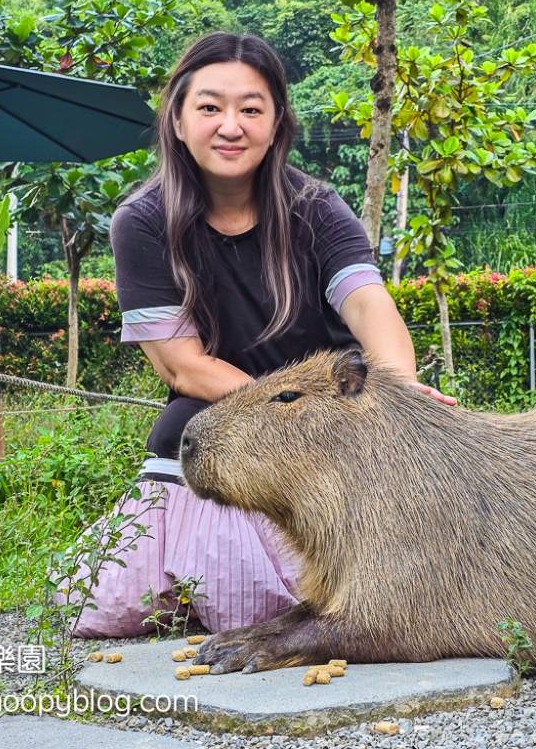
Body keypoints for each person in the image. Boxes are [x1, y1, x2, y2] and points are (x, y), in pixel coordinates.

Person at [59, 32, 454, 638]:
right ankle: (193, 568)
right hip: (221, 409)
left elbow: (370, 307)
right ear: (179, 119)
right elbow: (182, 367)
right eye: (210, 107)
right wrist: (271, 420)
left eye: (251, 108)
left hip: (330, 416)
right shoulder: (140, 221)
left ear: (276, 124)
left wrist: (396, 391)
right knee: (111, 603)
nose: (230, 125)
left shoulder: (317, 206)